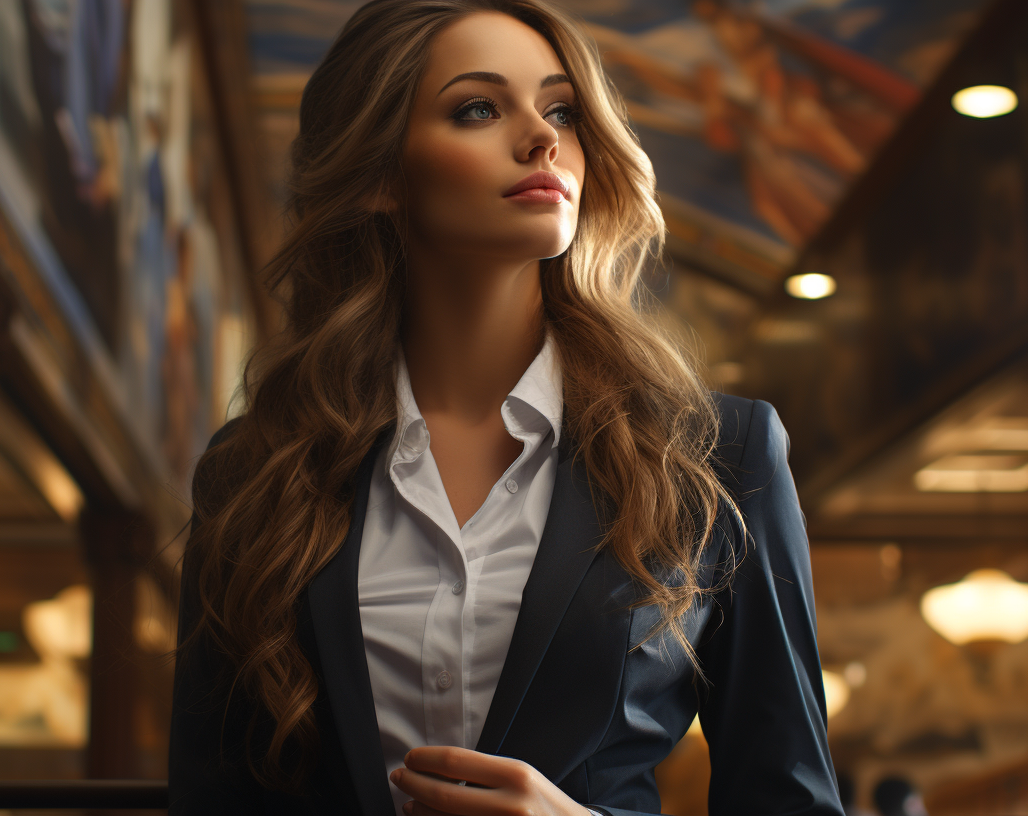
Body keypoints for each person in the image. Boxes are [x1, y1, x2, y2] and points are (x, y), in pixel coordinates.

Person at [167, 2, 840, 814]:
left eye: (560, 109)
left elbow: (791, 800)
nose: (541, 138)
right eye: (478, 108)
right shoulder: (255, 472)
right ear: (381, 173)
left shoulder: (721, 455)